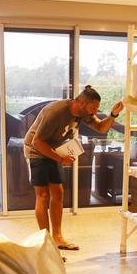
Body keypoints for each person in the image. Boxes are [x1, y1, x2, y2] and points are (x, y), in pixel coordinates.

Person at [23, 85, 124, 251]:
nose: (95, 111)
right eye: (94, 107)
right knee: (42, 195)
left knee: (58, 193)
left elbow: (102, 128)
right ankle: (46, 243)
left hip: (53, 149)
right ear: (82, 102)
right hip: (36, 150)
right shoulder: (55, 112)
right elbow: (37, 142)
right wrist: (60, 158)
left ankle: (58, 238)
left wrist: (113, 114)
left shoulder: (83, 113)